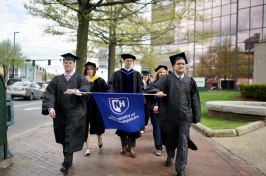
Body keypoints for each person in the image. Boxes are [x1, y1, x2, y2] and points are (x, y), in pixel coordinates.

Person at [148, 52, 201, 176]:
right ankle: (170, 156)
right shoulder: (166, 78)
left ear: (185, 66)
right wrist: (158, 93)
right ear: (174, 66)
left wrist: (196, 116)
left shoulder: (190, 80)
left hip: (184, 117)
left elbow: (195, 99)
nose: (181, 65)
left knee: (183, 142)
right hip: (168, 116)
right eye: (178, 64)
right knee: (170, 139)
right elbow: (154, 88)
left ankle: (180, 168)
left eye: (183, 64)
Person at [42, 53, 90, 175]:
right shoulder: (57, 79)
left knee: (70, 136)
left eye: (70, 62)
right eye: (66, 62)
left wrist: (75, 91)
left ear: (74, 64)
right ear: (63, 64)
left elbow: (86, 91)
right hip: (60, 114)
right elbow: (49, 94)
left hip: (76, 113)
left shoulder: (80, 78)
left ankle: (66, 163)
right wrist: (50, 108)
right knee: (64, 137)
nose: (68, 64)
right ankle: (68, 159)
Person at [108, 54, 143, 158]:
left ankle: (131, 147)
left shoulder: (136, 74)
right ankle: (124, 145)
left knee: (133, 125)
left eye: (130, 61)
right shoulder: (117, 74)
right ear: (123, 61)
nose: (129, 62)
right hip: (120, 105)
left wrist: (141, 102)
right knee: (122, 125)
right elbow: (111, 88)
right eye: (127, 60)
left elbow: (141, 90)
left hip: (133, 105)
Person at [83, 61, 107, 156]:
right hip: (85, 105)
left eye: (92, 69)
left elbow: (106, 92)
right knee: (86, 126)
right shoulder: (82, 80)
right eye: (88, 69)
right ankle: (88, 148)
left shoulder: (100, 80)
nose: (90, 71)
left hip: (97, 106)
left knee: (97, 125)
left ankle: (99, 138)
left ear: (95, 70)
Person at [148, 65, 168, 156]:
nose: (162, 74)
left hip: (167, 109)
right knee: (157, 128)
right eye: (160, 72)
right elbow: (148, 97)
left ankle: (165, 142)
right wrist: (152, 106)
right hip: (155, 109)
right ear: (158, 74)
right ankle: (158, 147)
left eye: (164, 72)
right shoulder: (153, 84)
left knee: (166, 127)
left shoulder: (169, 84)